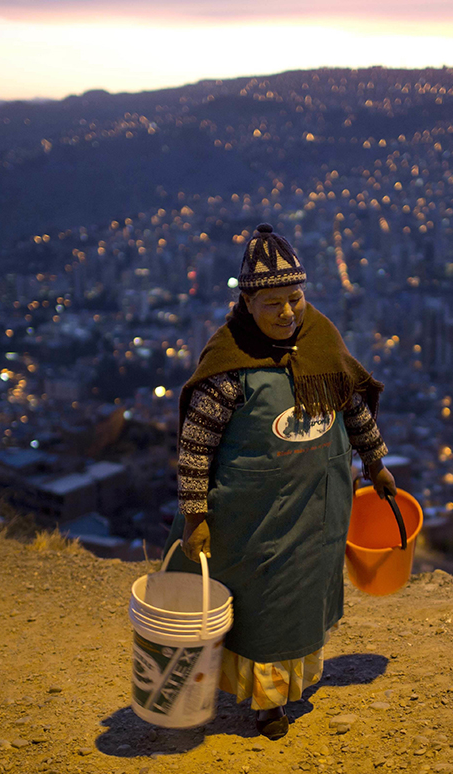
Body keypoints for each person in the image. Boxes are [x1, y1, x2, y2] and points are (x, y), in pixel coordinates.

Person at [166, 223, 395, 740]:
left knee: (301, 597)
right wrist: (196, 517)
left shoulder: (321, 341)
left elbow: (352, 406)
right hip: (254, 516)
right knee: (263, 603)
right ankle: (267, 702)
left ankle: (288, 686)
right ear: (247, 303)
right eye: (273, 304)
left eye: (295, 298)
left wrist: (375, 463)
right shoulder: (228, 364)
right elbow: (195, 448)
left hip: (319, 507)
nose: (288, 312)